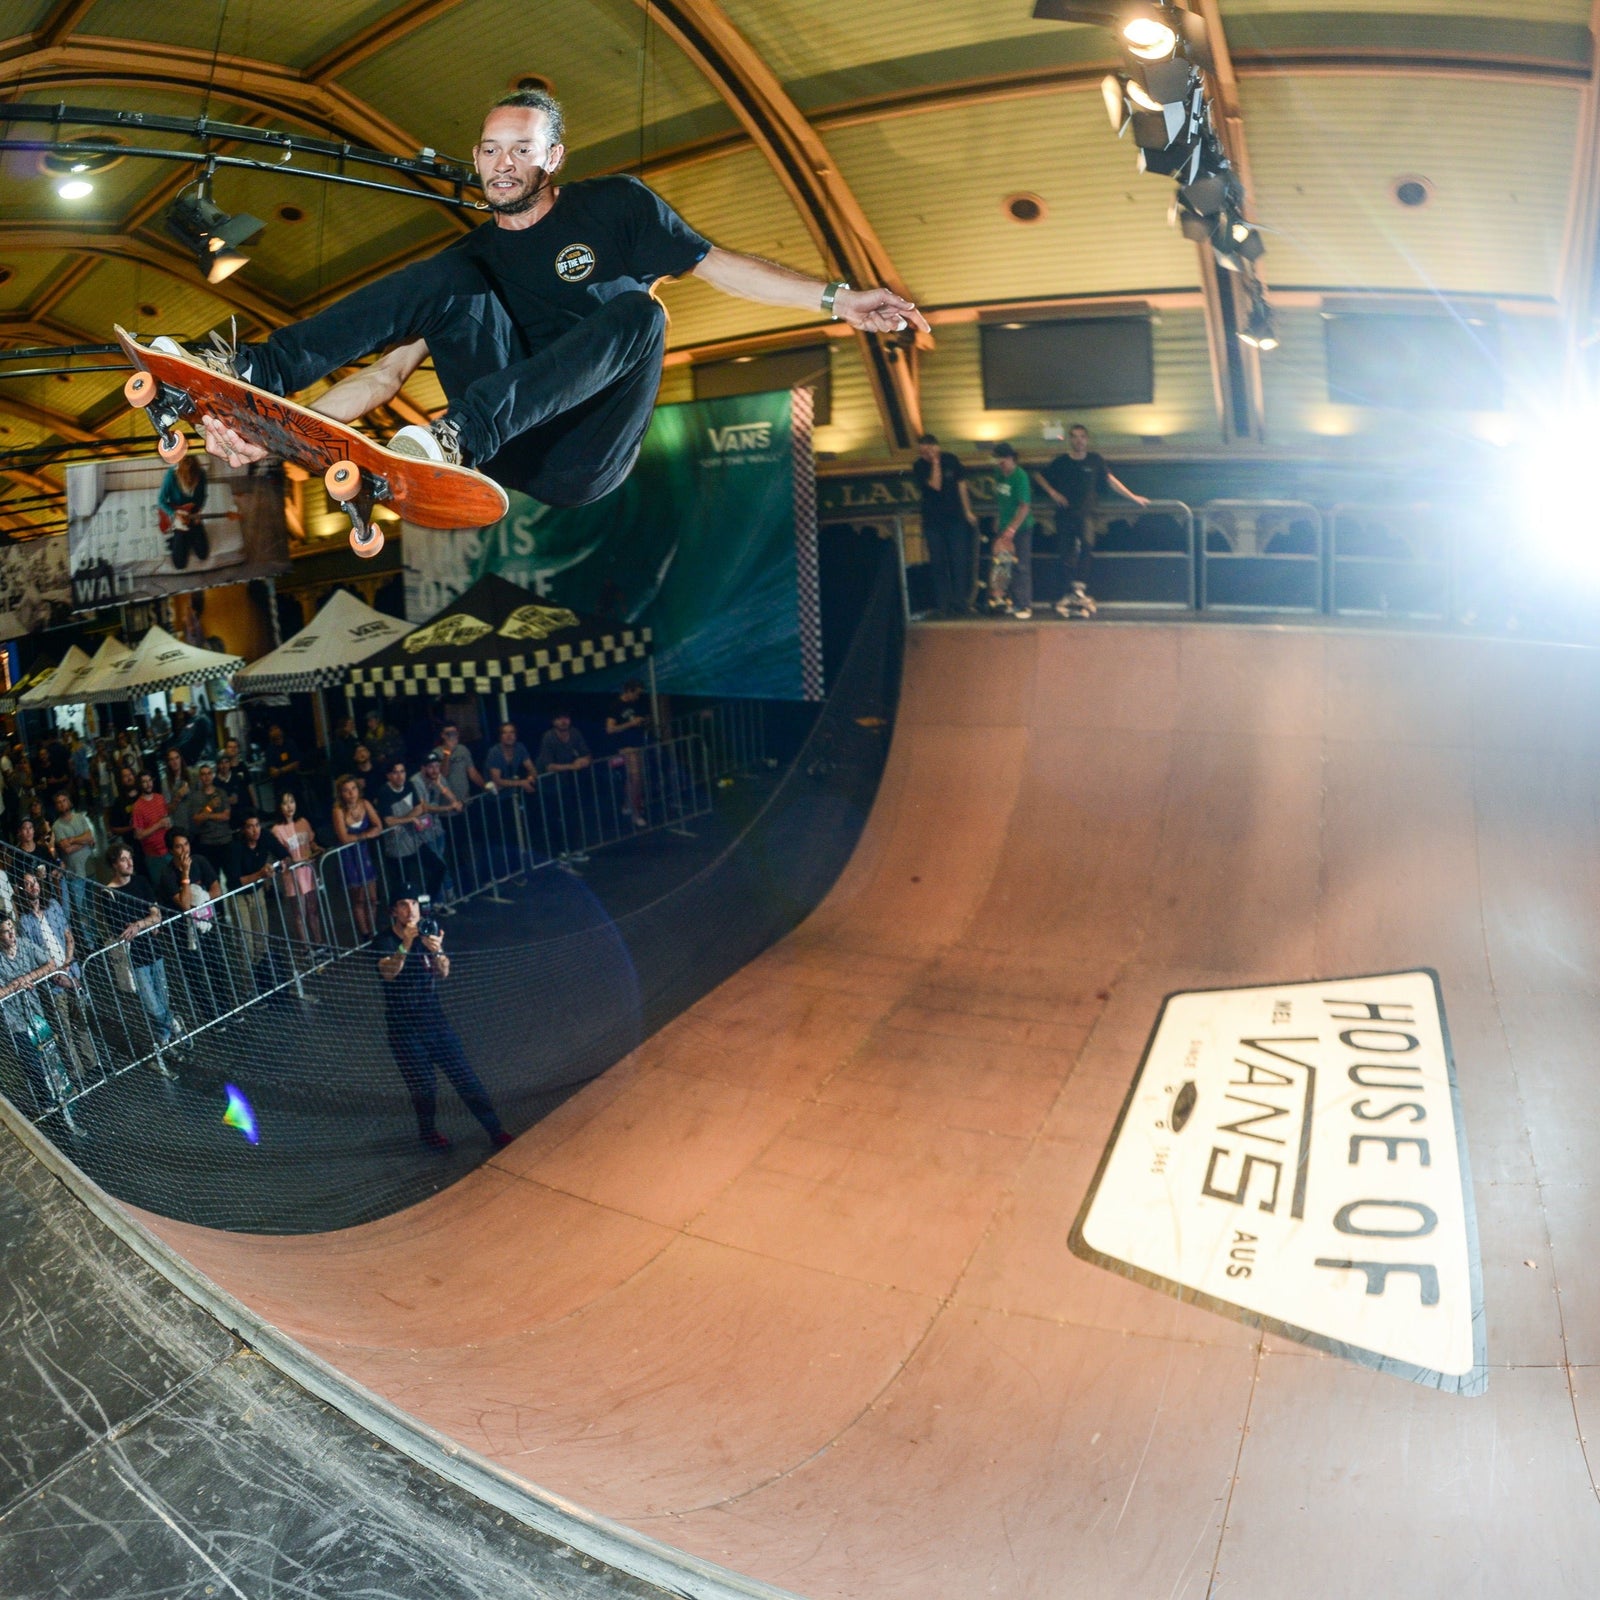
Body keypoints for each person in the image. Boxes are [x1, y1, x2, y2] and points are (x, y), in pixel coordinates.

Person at [187, 91, 926, 512]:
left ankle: (459, 434)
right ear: (475, 157)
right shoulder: (473, 257)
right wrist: (278, 432)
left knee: (643, 312)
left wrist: (841, 300)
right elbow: (384, 378)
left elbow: (721, 267)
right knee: (443, 275)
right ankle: (259, 368)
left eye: (519, 150)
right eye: (489, 150)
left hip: (586, 453)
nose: (501, 165)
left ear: (552, 158)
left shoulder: (616, 210)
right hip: (507, 442)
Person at [376, 894, 511, 1153]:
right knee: (424, 1088)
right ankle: (428, 1133)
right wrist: (405, 944)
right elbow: (388, 973)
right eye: (403, 905)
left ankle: (495, 1130)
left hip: (435, 1024)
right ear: (394, 911)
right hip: (404, 1031)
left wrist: (437, 950)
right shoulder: (384, 940)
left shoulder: (429, 931)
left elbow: (444, 971)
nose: (410, 910)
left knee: (466, 1078)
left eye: (414, 904)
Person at [1034, 423, 1149, 615]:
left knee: (1087, 547)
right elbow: (1038, 476)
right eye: (1075, 437)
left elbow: (1111, 481)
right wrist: (1052, 493)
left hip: (1086, 514)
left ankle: (1079, 590)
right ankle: (1067, 593)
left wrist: (1133, 497)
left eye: (1082, 437)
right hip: (1064, 515)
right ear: (1070, 440)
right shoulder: (1061, 461)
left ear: (1086, 440)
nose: (1078, 440)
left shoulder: (1095, 460)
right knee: (1065, 553)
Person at [16, 867, 99, 1085]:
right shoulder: (24, 922)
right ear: (22, 889)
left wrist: (68, 964)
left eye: (35, 882)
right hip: (52, 982)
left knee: (81, 1022)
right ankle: (77, 1073)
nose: (33, 887)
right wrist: (54, 974)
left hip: (70, 971)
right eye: (28, 884)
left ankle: (93, 1064)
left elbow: (68, 935)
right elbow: (33, 954)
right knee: (64, 1029)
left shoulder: (53, 906)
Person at [102, 842, 181, 1064]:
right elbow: (121, 930)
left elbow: (157, 916)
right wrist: (146, 924)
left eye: (130, 858)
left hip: (154, 950)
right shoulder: (108, 894)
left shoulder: (141, 882)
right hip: (133, 958)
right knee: (152, 1005)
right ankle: (172, 1023)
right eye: (124, 859)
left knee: (162, 998)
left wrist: (139, 924)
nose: (130, 863)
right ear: (114, 864)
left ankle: (165, 1040)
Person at [153, 827, 225, 1022]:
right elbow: (184, 904)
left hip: (206, 924)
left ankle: (226, 1009)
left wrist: (201, 899)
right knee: (195, 974)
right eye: (178, 846)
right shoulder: (167, 874)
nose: (184, 849)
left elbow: (216, 888)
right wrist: (185, 875)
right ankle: (210, 1015)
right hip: (183, 931)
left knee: (217, 965)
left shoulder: (200, 861)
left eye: (186, 844)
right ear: (170, 850)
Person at [911, 433, 979, 616]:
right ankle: (944, 604)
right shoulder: (919, 466)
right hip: (933, 522)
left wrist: (968, 511)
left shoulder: (951, 460)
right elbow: (935, 484)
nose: (925, 454)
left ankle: (960, 603)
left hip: (956, 519)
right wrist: (934, 463)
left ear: (936, 447)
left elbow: (962, 486)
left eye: (928, 450)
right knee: (939, 564)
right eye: (922, 452)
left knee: (959, 560)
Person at [0, 909, 60, 1115]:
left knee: (49, 1054)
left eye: (12, 929)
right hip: (13, 1018)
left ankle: (61, 1091)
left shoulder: (25, 945)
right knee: (31, 1062)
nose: (11, 935)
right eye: (6, 932)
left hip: (35, 1011)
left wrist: (30, 977)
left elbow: (50, 964)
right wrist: (17, 984)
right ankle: (46, 1101)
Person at [226, 813, 285, 982]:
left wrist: (279, 866)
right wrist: (260, 874)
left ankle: (263, 981)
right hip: (239, 896)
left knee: (261, 939)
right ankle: (248, 986)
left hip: (257, 891)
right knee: (246, 943)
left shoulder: (265, 836)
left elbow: (282, 854)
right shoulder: (235, 847)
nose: (255, 830)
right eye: (250, 826)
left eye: (257, 825)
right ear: (243, 829)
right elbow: (235, 881)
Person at [331, 775, 383, 939]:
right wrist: (366, 835)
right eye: (346, 790)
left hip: (364, 853)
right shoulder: (338, 810)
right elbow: (344, 837)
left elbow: (378, 826)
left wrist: (363, 836)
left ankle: (373, 928)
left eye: (353, 789)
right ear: (341, 793)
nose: (351, 793)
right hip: (349, 856)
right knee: (359, 898)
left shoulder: (365, 803)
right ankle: (365, 932)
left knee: (373, 897)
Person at [269, 790, 323, 948]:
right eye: (285, 803)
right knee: (299, 913)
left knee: (313, 909)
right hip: (292, 875)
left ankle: (319, 942)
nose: (289, 806)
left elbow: (311, 842)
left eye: (291, 801)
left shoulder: (303, 822)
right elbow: (282, 855)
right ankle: (306, 947)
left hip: (308, 870)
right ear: (279, 807)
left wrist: (317, 848)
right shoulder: (277, 830)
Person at [988, 442, 1036, 619]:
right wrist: (1000, 522)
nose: (1000, 465)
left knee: (1021, 565)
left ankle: (1024, 604)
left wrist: (1012, 528)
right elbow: (1001, 500)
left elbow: (1024, 507)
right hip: (1004, 526)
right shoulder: (999, 474)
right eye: (997, 462)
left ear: (1010, 458)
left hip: (1021, 527)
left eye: (1002, 462)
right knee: (1003, 564)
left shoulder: (1020, 476)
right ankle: (1010, 601)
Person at [376, 759, 434, 903]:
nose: (400, 776)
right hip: (396, 847)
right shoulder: (384, 792)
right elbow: (388, 821)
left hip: (414, 840)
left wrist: (405, 819)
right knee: (402, 884)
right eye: (395, 772)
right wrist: (410, 819)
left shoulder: (409, 785)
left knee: (437, 867)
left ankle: (427, 903)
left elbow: (419, 807)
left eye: (402, 771)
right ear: (388, 775)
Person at [415, 751, 464, 907]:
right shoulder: (416, 782)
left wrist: (441, 787)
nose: (435, 770)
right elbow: (424, 807)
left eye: (437, 766)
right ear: (423, 768)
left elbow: (451, 797)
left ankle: (448, 895)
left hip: (436, 829)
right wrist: (449, 807)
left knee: (442, 861)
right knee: (438, 864)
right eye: (431, 767)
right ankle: (439, 899)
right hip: (422, 831)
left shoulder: (438, 778)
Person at [605, 682, 652, 827]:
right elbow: (610, 729)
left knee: (634, 779)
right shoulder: (615, 706)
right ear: (628, 691)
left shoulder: (636, 704)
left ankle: (627, 805)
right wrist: (630, 724)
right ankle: (635, 813)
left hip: (636, 744)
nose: (637, 696)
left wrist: (643, 721)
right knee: (636, 778)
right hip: (625, 746)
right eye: (636, 693)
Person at [49, 789, 94, 920]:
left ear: (69, 801)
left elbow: (90, 835)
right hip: (74, 873)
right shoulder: (56, 826)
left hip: (89, 867)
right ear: (56, 806)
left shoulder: (80, 817)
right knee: (82, 911)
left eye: (64, 800)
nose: (62, 804)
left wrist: (72, 840)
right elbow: (66, 849)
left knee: (93, 906)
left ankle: (99, 937)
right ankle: (89, 940)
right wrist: (85, 842)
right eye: (59, 802)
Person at [158, 454, 209, 570]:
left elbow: (202, 497)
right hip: (178, 516)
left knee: (203, 554)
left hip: (193, 514)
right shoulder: (171, 475)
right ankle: (180, 538)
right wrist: (174, 514)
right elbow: (161, 501)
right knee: (179, 564)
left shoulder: (202, 474)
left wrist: (199, 512)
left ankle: (182, 539)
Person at [177, 761, 234, 862]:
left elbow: (226, 816)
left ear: (212, 775)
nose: (206, 777)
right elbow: (197, 820)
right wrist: (209, 807)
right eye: (203, 774)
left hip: (226, 839)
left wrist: (206, 815)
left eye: (209, 773)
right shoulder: (195, 797)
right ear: (200, 777)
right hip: (208, 842)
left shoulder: (221, 792)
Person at [130, 769, 171, 868]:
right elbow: (138, 835)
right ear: (140, 785)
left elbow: (166, 819)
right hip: (153, 855)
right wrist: (159, 825)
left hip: (168, 848)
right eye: (144, 782)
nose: (148, 784)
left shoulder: (160, 798)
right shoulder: (137, 807)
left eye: (149, 780)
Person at [263, 723, 302, 804]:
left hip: (294, 782)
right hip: (280, 786)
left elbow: (296, 763)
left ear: (281, 730)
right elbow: (272, 771)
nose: (274, 732)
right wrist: (286, 768)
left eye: (276, 728)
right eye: (271, 730)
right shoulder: (270, 750)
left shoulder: (290, 743)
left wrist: (281, 770)